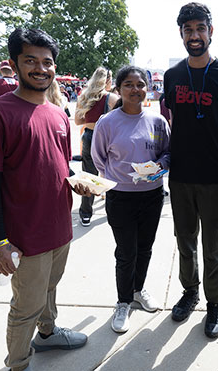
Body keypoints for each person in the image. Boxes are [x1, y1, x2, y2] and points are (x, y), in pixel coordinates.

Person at [0, 28, 89, 371]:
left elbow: (58, 166)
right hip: (24, 234)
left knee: (50, 289)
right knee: (26, 306)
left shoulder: (57, 113)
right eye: (30, 61)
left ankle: (48, 334)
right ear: (14, 65)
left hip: (59, 227)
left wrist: (77, 183)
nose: (40, 68)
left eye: (47, 62)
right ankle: (18, 363)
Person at [163, 2, 218, 339]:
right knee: (184, 243)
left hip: (215, 179)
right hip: (180, 176)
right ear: (181, 34)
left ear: (211, 31)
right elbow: (169, 126)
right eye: (188, 30)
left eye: (200, 28)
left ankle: (214, 303)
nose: (194, 35)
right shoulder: (172, 76)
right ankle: (189, 292)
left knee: (213, 248)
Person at [91, 65, 170, 333]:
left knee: (145, 247)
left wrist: (159, 166)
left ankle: (138, 289)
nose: (135, 89)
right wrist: (119, 177)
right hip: (120, 196)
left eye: (140, 84)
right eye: (129, 84)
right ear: (118, 89)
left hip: (152, 195)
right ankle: (123, 301)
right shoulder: (107, 122)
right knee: (126, 252)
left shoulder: (158, 121)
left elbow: (167, 153)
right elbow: (99, 158)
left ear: (148, 88)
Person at [74, 67, 118, 226]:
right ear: (107, 80)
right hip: (109, 138)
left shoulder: (84, 96)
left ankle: (86, 213)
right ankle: (113, 209)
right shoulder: (113, 98)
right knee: (112, 174)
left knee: (89, 175)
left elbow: (78, 121)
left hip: (89, 136)